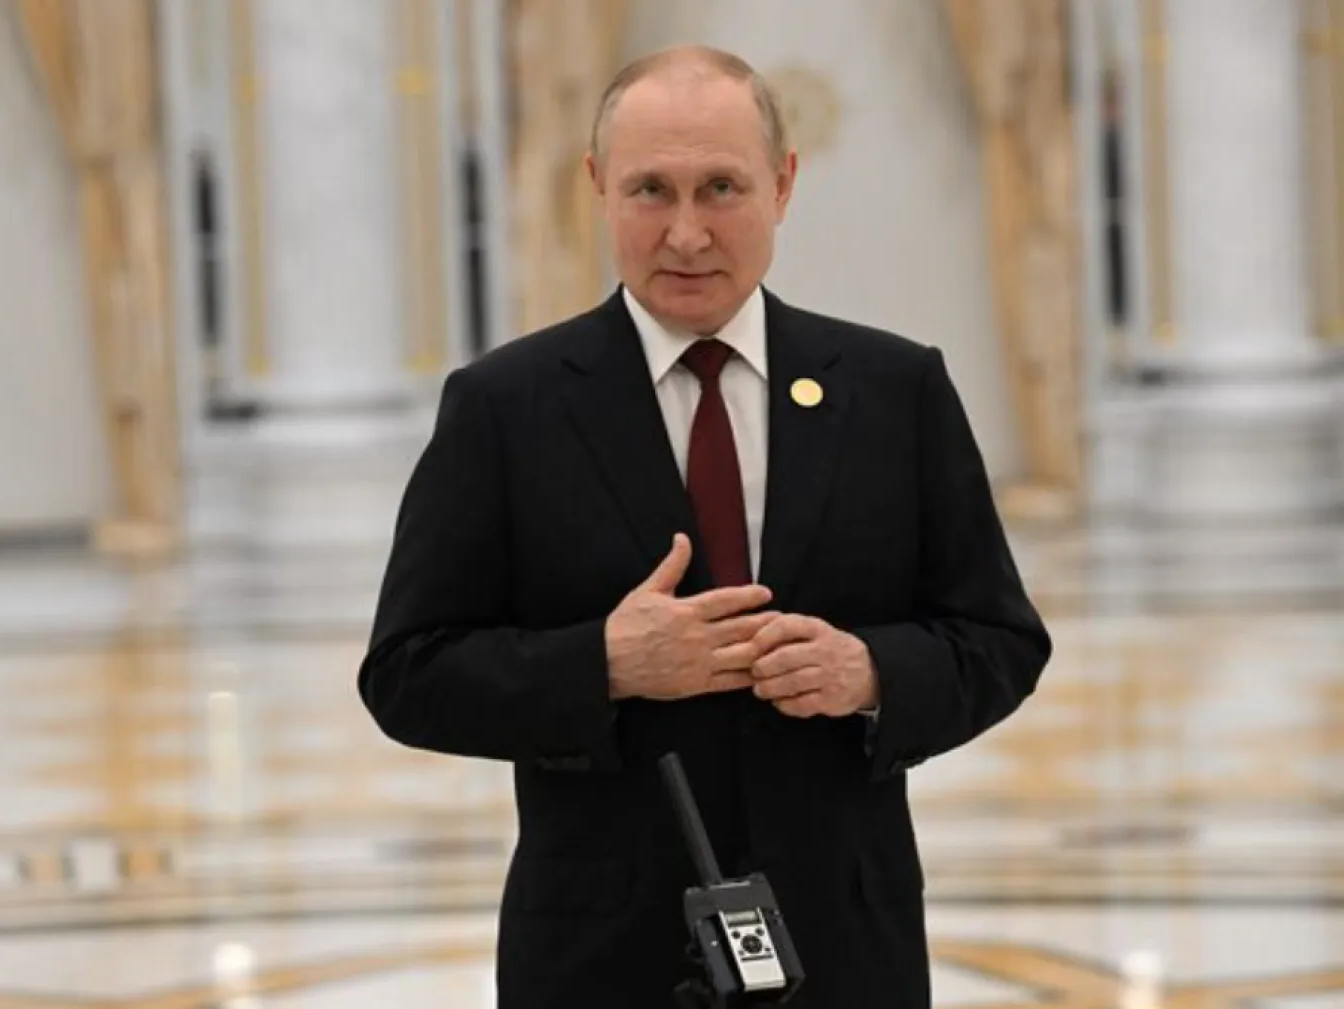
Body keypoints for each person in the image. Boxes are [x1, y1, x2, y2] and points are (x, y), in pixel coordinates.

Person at [359, 44, 1051, 1009]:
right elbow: (407, 673)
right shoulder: (504, 408)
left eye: (721, 187)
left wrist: (872, 673)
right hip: (600, 960)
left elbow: (1001, 639)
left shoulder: (897, 391)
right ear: (597, 186)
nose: (686, 233)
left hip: (846, 949)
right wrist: (603, 663)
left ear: (784, 183)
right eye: (651, 190)